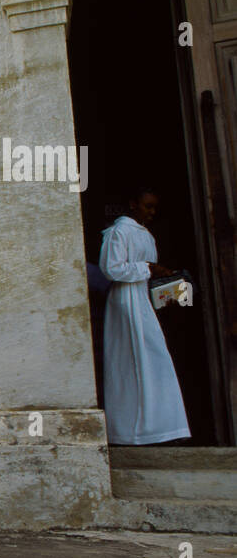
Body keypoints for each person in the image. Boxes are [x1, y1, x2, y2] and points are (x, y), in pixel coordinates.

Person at [98, 188, 190, 444]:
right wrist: (148, 268)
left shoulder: (146, 235)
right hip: (126, 301)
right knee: (130, 361)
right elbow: (111, 269)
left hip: (143, 299)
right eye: (147, 207)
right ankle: (131, 430)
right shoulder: (119, 231)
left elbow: (147, 272)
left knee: (152, 361)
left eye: (154, 208)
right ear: (133, 204)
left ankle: (159, 426)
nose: (151, 212)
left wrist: (164, 280)